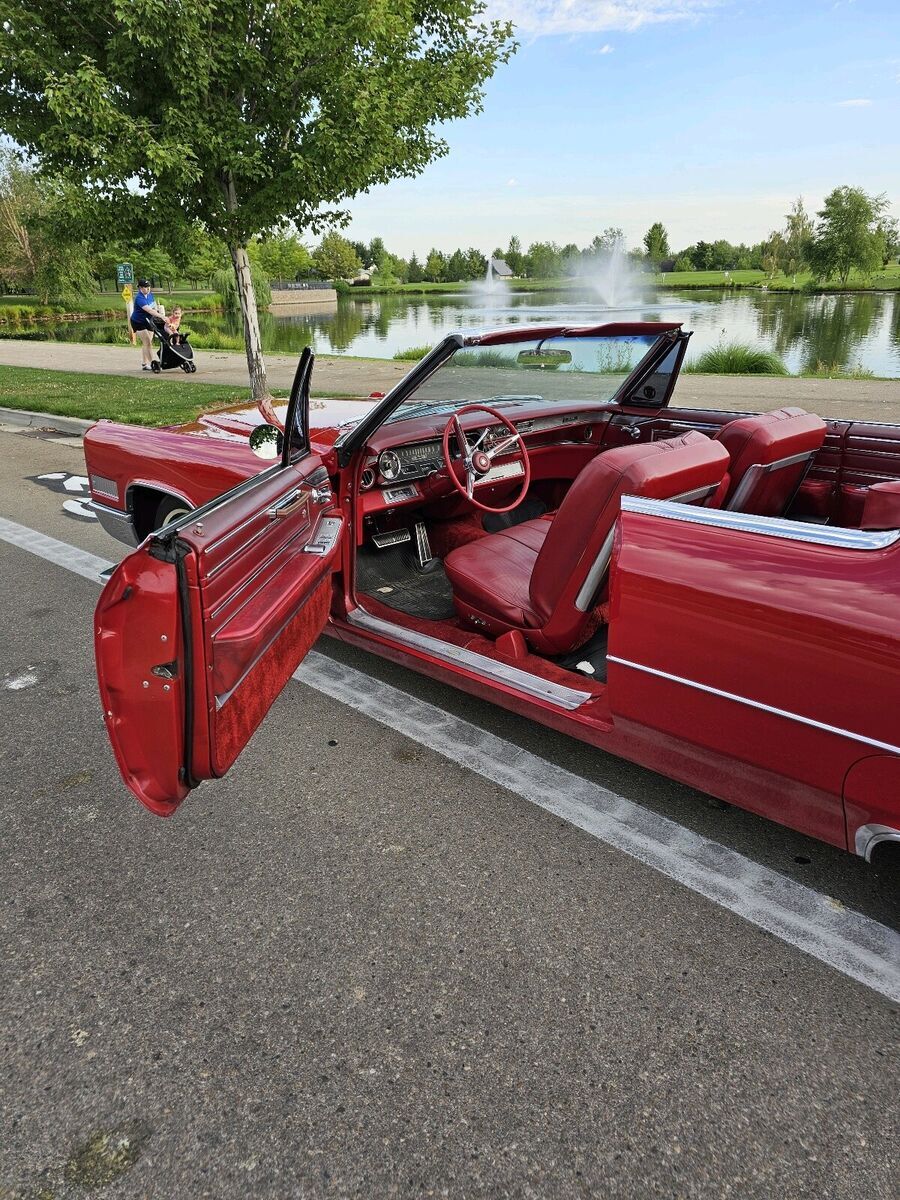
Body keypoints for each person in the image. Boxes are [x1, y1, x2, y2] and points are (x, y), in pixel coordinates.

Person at [130, 280, 164, 370]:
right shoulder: (139, 298)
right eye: (145, 287)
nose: (148, 288)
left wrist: (158, 310)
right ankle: (153, 363)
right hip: (138, 321)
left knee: (148, 343)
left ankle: (144, 364)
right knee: (147, 342)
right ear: (140, 288)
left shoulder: (150, 295)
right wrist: (161, 316)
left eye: (149, 286)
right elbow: (149, 310)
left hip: (148, 320)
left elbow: (153, 306)